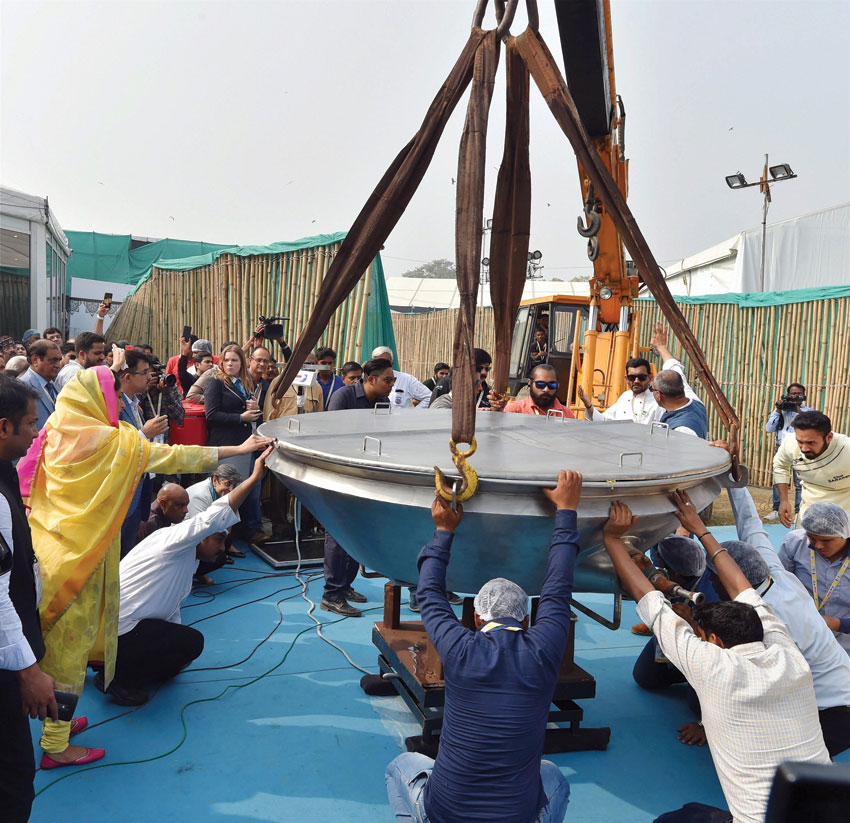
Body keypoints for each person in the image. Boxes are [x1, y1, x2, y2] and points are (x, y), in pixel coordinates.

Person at [17, 365, 272, 767]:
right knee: (68, 653)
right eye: (114, 396)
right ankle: (56, 746)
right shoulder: (113, 442)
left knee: (65, 643)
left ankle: (58, 724)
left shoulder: (51, 434)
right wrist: (239, 451)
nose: (118, 403)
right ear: (96, 400)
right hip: (83, 562)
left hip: (51, 553)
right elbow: (174, 455)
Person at [601, 494, 830, 823]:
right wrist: (700, 529)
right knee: (692, 814)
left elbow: (649, 599)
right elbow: (744, 590)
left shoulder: (712, 667)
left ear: (715, 641)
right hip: (829, 812)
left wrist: (612, 540)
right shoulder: (788, 653)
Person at [386, 471, 581, 823]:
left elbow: (428, 593)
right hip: (516, 815)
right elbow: (558, 586)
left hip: (445, 812)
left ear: (476, 618)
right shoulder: (545, 648)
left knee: (399, 766)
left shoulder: (460, 649)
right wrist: (566, 510)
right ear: (526, 620)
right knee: (552, 774)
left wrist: (444, 530)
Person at [672, 481, 850, 757]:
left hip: (830, 713)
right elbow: (751, 526)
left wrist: (708, 725)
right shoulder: (773, 572)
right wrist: (735, 482)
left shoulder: (763, 622)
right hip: (836, 687)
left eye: (714, 576)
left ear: (728, 579)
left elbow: (747, 685)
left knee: (765, 757)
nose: (712, 582)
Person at [109, 447, 273, 705]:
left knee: (181, 650)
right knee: (192, 643)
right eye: (218, 540)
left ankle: (118, 666)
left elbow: (171, 611)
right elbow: (211, 518)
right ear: (200, 537)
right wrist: (253, 478)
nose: (222, 547)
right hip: (120, 630)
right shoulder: (177, 539)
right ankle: (119, 680)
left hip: (117, 627)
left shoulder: (183, 556)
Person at [0, 376, 73, 819]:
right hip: (7, 664)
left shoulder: (6, 469)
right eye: (30, 423)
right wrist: (28, 671)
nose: (36, 431)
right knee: (13, 782)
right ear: (3, 426)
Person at [319, 358, 397, 616]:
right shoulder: (343, 397)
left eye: (393, 380)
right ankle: (331, 595)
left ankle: (346, 586)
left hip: (366, 477)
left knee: (357, 533)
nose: (392, 385)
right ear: (371, 379)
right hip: (340, 475)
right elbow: (331, 437)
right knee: (338, 534)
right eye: (388, 380)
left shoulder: (384, 403)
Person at [204, 344, 264, 548]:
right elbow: (211, 415)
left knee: (242, 490)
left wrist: (256, 410)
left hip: (245, 444)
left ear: (242, 363)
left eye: (234, 360)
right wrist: (240, 417)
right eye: (227, 360)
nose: (230, 364)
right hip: (226, 445)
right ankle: (221, 541)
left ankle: (238, 534)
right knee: (225, 493)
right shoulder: (215, 381)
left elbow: (252, 415)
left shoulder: (246, 383)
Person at [779, 502, 850, 657]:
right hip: (800, 637)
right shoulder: (795, 543)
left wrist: (837, 624)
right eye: (811, 538)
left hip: (845, 644)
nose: (818, 546)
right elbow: (779, 586)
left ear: (844, 534)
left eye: (826, 540)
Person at [773, 410, 850, 527]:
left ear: (829, 437)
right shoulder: (789, 443)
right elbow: (780, 465)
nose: (804, 448)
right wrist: (783, 500)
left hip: (844, 507)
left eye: (811, 443)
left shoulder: (847, 448)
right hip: (809, 508)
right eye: (800, 442)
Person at [764, 383, 812, 521]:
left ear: (804, 395)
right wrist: (778, 410)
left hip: (800, 449)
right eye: (793, 393)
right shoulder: (782, 411)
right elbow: (769, 429)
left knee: (800, 482)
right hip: (781, 448)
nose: (796, 396)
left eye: (799, 394)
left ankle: (799, 511)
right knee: (779, 479)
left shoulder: (808, 412)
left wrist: (798, 411)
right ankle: (776, 509)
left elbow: (812, 426)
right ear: (787, 395)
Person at [579, 356, 662, 424]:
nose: (636, 381)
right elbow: (604, 421)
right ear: (626, 378)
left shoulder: (658, 400)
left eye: (641, 377)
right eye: (632, 377)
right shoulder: (625, 397)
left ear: (650, 377)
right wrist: (588, 404)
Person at [430, 350, 503, 411]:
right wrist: (476, 413)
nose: (484, 372)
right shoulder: (442, 403)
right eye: (479, 368)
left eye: (487, 368)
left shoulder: (488, 391)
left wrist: (495, 410)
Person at [17, 340, 63, 430]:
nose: (58, 365)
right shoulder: (21, 388)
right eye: (53, 360)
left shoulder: (52, 385)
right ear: (35, 360)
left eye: (59, 360)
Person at [500, 364, 574, 417]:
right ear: (529, 383)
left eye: (552, 385)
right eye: (540, 384)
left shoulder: (567, 414)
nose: (546, 389)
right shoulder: (514, 410)